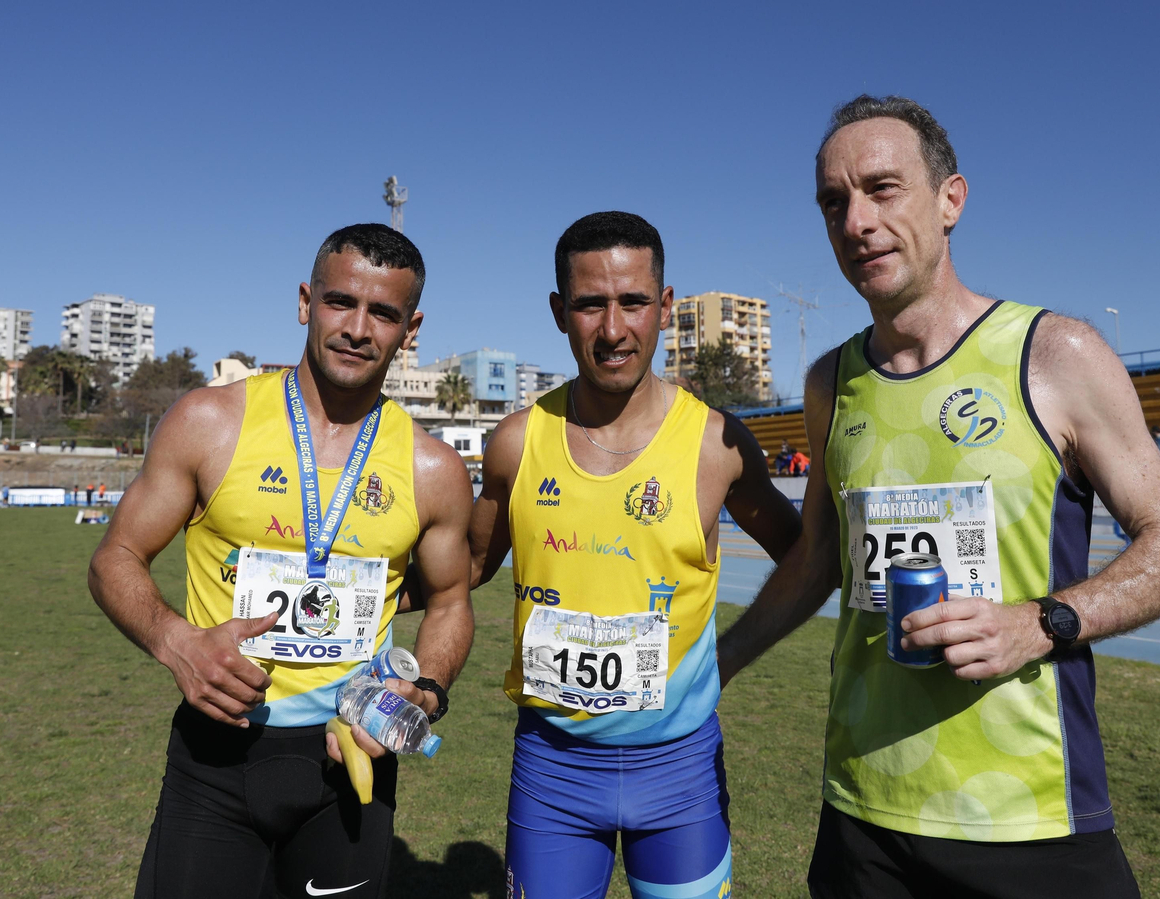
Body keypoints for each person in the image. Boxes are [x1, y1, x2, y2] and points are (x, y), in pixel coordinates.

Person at [713, 95, 1160, 899]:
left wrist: (1038, 622)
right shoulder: (829, 382)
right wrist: (721, 662)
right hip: (862, 811)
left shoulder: (1057, 354)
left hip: (1028, 815)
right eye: (834, 202)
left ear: (951, 200)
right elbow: (818, 559)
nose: (857, 220)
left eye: (882, 188)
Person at [88, 224, 476, 898]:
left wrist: (428, 688)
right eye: (339, 302)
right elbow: (114, 555)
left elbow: (450, 601)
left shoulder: (432, 467)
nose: (358, 328)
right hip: (218, 756)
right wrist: (174, 640)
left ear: (410, 329)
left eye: (383, 312)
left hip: (349, 758)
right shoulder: (210, 422)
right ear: (305, 301)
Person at [467, 212, 802, 899]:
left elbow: (805, 556)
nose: (614, 328)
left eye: (634, 302)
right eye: (591, 303)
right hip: (552, 770)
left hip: (680, 774)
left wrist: (732, 653)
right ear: (561, 312)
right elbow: (464, 571)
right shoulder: (516, 443)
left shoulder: (718, 445)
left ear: (666, 307)